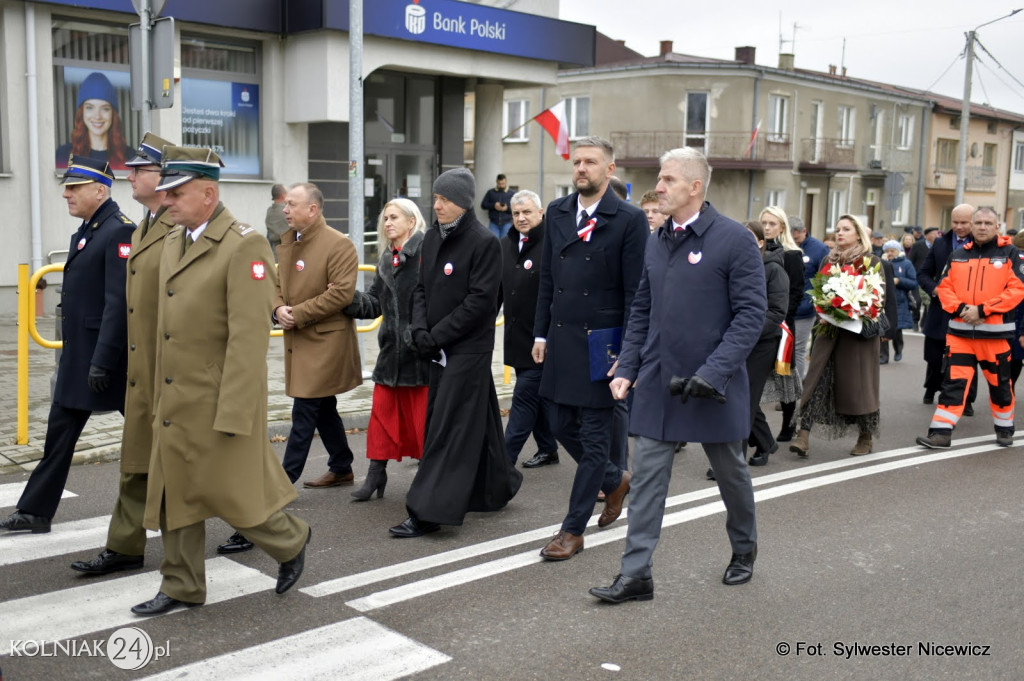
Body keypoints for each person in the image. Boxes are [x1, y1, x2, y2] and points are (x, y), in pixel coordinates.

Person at [131, 146, 310, 616]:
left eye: (177, 192)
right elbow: (162, 323)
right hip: (173, 393)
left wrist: (234, 411)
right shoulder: (174, 237)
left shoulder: (243, 244)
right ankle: (182, 584)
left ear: (208, 194)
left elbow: (248, 339)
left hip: (215, 397)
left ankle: (290, 540)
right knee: (173, 493)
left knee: (229, 491)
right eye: (165, 192)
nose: (166, 200)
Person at [589, 147, 766, 604]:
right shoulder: (657, 239)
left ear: (694, 187)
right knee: (646, 480)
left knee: (732, 475)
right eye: (659, 178)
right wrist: (627, 366)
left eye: (668, 179)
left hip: (714, 387)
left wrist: (714, 372)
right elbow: (642, 310)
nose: (659, 187)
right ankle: (636, 575)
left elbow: (751, 315)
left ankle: (744, 550)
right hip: (659, 384)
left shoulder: (734, 240)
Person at [1, 157, 134, 535]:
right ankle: (34, 512)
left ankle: (217, 501)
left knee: (156, 438)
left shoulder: (119, 232)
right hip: (80, 358)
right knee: (59, 435)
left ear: (100, 190)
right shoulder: (89, 230)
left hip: (109, 361)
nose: (66, 193)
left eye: (74, 188)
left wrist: (103, 361)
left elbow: (118, 303)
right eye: (67, 186)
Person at [389, 168, 523, 538]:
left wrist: (437, 336)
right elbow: (420, 289)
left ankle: (429, 510)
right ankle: (497, 485)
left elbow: (481, 303)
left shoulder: (484, 243)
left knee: (446, 427)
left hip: (467, 349)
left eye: (444, 200)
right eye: (435, 198)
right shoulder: (431, 238)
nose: (437, 206)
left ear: (463, 203)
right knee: (473, 417)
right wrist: (420, 330)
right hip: (437, 347)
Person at [531, 136, 648, 561]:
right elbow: (547, 280)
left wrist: (630, 355)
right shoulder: (559, 212)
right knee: (560, 424)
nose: (581, 168)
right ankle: (616, 479)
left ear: (609, 170)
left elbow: (637, 293)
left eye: (591, 162)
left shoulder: (629, 220)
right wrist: (540, 335)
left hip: (605, 343)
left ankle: (572, 530)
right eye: (577, 161)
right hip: (562, 338)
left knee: (596, 437)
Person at [69, 133, 174, 575]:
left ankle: (265, 525)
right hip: (143, 367)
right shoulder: (146, 225)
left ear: (165, 178)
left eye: (140, 170)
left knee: (208, 461)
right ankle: (125, 546)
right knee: (136, 462)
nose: (130, 175)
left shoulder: (178, 227)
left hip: (175, 370)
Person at [344, 198, 432, 500]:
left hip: (419, 355)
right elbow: (373, 304)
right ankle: (375, 474)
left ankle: (427, 480)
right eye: (384, 218)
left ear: (412, 221)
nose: (387, 223)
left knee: (422, 423)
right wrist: (346, 298)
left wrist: (421, 337)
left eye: (394, 217)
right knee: (381, 418)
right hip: (390, 355)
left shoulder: (426, 253)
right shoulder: (386, 257)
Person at [916, 207, 1024, 449]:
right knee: (952, 386)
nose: (982, 227)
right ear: (972, 227)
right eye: (978, 223)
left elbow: (1016, 290)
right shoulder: (957, 254)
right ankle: (940, 433)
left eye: (988, 223)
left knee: (1000, 387)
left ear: (998, 227)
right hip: (960, 335)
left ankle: (1005, 428)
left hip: (995, 338)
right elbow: (944, 289)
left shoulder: (1011, 253)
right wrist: (963, 309)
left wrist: (983, 310)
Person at [790, 215, 891, 458]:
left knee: (859, 387)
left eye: (846, 229)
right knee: (815, 380)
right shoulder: (828, 259)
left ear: (858, 234)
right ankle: (802, 436)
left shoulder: (871, 261)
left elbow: (876, 299)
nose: (840, 233)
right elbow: (819, 290)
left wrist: (851, 309)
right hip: (828, 331)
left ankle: (865, 436)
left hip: (858, 337)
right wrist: (824, 308)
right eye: (837, 229)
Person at [499, 190, 558, 468]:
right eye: (516, 214)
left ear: (540, 212)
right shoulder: (506, 244)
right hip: (516, 338)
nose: (521, 218)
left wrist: (546, 334)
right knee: (536, 399)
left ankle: (502, 465)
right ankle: (548, 448)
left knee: (523, 400)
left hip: (542, 340)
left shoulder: (552, 243)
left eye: (527, 212)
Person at [752, 206, 804, 461]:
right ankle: (758, 434)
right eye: (764, 222)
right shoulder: (754, 251)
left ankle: (788, 423)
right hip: (760, 324)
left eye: (772, 223)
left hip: (782, 325)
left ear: (782, 226)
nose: (768, 226)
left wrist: (783, 321)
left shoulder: (792, 255)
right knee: (755, 385)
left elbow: (794, 293)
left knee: (785, 379)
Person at [918, 205, 977, 408]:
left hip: (969, 312)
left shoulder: (982, 245)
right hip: (940, 309)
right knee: (934, 357)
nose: (959, 227)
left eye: (964, 222)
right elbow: (923, 274)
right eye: (955, 222)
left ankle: (966, 399)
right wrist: (934, 290)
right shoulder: (940, 243)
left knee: (966, 359)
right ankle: (932, 386)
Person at [742, 221, 789, 468]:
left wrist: (745, 333)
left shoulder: (773, 270)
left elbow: (776, 312)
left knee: (743, 399)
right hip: (733, 342)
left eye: (750, 237)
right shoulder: (734, 266)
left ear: (761, 241)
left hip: (760, 344)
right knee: (737, 397)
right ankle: (765, 441)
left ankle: (733, 460)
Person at [55, 72, 131, 170]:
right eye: (90, 108)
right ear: (81, 113)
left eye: (105, 109)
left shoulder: (129, 156)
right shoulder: (64, 155)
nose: (97, 116)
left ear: (113, 115)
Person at [790, 216, 830, 381]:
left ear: (804, 231)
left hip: (805, 308)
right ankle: (782, 390)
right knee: (783, 350)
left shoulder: (819, 249)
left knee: (798, 349)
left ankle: (795, 392)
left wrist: (816, 303)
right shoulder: (784, 245)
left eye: (797, 237)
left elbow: (825, 279)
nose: (795, 241)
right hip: (783, 307)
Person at [880, 240, 917, 364]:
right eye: (887, 251)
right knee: (882, 328)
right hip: (882, 300)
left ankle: (898, 349)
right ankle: (883, 356)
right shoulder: (880, 262)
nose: (890, 253)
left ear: (898, 251)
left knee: (896, 329)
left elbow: (913, 282)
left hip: (899, 301)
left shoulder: (906, 264)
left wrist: (899, 281)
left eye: (892, 251)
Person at [481, 173, 513, 239]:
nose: (501, 186)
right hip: (493, 223)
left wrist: (507, 208)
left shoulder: (512, 193)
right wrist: (494, 205)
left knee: (505, 244)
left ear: (506, 182)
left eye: (503, 184)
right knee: (493, 243)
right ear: (496, 182)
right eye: (499, 184)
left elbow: (516, 208)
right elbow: (483, 205)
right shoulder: (490, 192)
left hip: (507, 223)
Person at [265, 183, 288, 261]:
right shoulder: (287, 212)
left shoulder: (269, 211)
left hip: (272, 252)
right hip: (285, 253)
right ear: (283, 196)